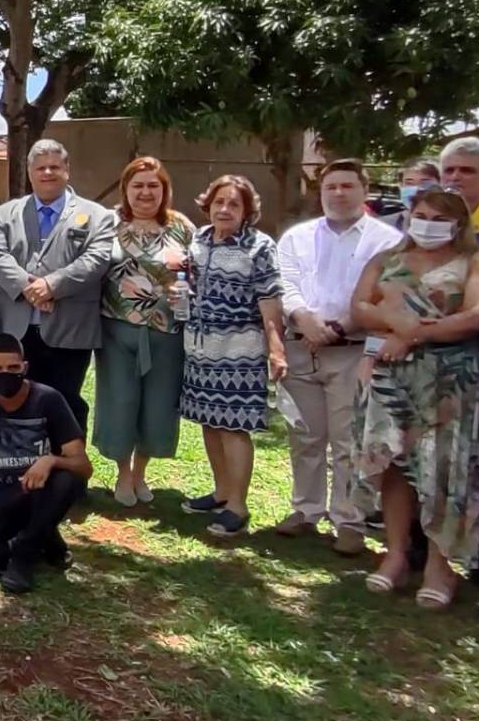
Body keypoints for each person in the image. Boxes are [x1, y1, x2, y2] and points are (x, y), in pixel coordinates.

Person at [351, 187, 479, 608]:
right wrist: (391, 325)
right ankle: (395, 555)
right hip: (392, 378)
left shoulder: (476, 263)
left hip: (448, 380)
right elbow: (360, 305)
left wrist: (414, 335)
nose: (426, 223)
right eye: (421, 214)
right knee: (395, 464)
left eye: (438, 217)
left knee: (445, 471)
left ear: (458, 224)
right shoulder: (388, 259)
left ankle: (439, 565)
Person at [274, 159, 403, 554]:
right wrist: (302, 318)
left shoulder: (386, 240)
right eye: (331, 187)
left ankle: (349, 520)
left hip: (353, 350)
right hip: (302, 346)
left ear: (365, 190)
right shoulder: (297, 237)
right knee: (305, 436)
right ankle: (305, 510)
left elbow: (383, 292)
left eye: (347, 186)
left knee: (348, 441)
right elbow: (285, 282)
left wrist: (339, 327)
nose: (338, 193)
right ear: (321, 191)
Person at [179, 175, 287, 538]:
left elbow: (270, 299)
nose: (224, 209)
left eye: (234, 204)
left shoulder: (259, 247)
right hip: (200, 350)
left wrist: (276, 347)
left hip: (239, 352)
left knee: (234, 427)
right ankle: (222, 490)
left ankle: (238, 505)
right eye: (219, 202)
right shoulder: (199, 240)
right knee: (210, 422)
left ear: (247, 211)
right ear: (208, 204)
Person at [0, 139, 117, 432]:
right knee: (10, 401)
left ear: (67, 170)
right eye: (40, 167)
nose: (48, 173)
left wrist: (51, 286)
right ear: (30, 172)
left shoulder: (98, 216)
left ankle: (66, 472)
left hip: (69, 329)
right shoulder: (6, 212)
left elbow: (96, 260)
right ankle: (14, 468)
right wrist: (27, 287)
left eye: (54, 166)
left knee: (64, 404)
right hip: (14, 328)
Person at [0, 333, 92, 594]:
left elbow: (84, 466)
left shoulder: (48, 399)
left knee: (68, 478)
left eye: (13, 368)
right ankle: (45, 535)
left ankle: (24, 555)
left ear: (24, 367)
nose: (4, 374)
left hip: (38, 491)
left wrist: (51, 460)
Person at [93, 156, 194, 506]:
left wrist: (186, 290)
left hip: (167, 333)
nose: (146, 192)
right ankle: (122, 472)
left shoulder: (181, 226)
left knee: (157, 404)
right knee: (120, 400)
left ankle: (140, 473)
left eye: (154, 185)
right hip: (116, 330)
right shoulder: (107, 222)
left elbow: (196, 273)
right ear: (126, 189)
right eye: (138, 185)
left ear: (164, 189)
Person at [439, 136, 479, 590]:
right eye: (449, 171)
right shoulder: (421, 230)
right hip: (432, 367)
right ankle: (422, 547)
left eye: (467, 171)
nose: (455, 179)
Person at [382, 159, 440, 233]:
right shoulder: (384, 225)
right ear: (400, 186)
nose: (417, 189)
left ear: (440, 184)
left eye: (425, 182)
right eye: (409, 183)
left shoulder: (454, 223)